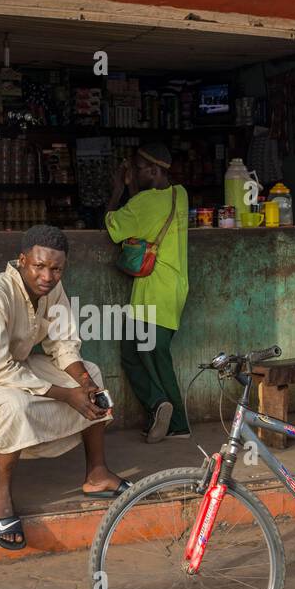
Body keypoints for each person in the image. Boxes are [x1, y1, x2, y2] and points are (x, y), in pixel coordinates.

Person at [0, 225, 129, 550]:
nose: (48, 275)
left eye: (56, 269)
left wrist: (83, 384)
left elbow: (63, 344)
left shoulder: (52, 290)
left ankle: (97, 473)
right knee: (15, 406)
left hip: (20, 364)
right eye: (40, 266)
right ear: (22, 261)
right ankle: (1, 497)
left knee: (92, 373)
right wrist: (67, 395)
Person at [105, 142, 190, 443]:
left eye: (139, 169)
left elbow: (114, 225)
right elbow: (140, 216)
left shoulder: (142, 205)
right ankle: (160, 406)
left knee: (154, 357)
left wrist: (118, 188)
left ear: (154, 170)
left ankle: (176, 420)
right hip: (173, 288)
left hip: (154, 292)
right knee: (133, 353)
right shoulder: (180, 194)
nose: (135, 174)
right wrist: (133, 186)